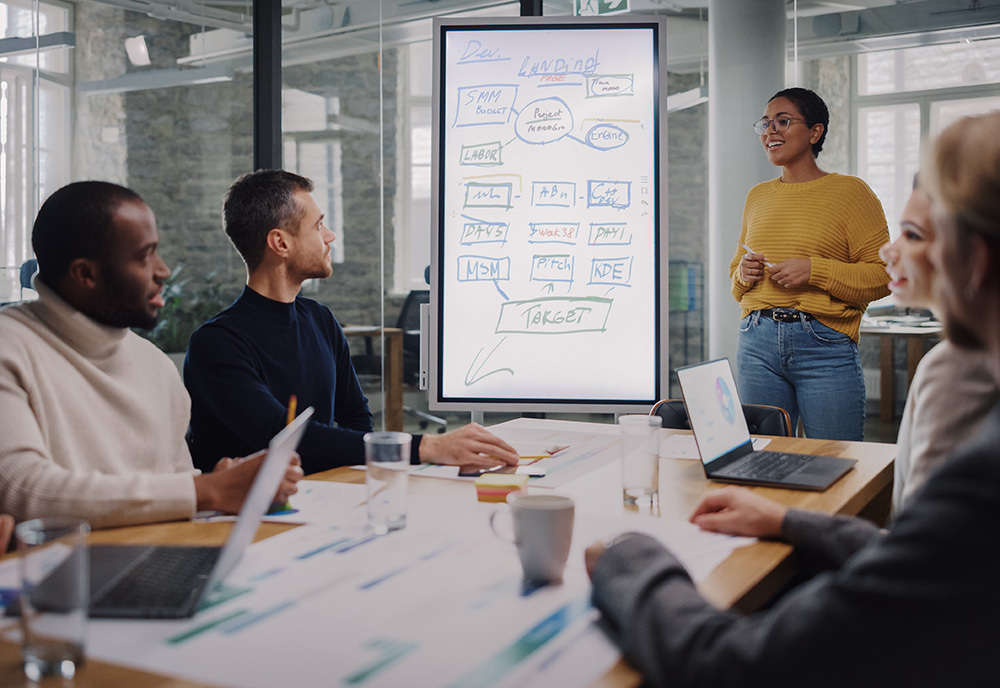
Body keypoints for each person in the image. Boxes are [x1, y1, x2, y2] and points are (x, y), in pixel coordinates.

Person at [585, 112, 1000, 686]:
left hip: (824, 341)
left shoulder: (982, 466)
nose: (891, 254)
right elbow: (923, 553)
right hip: (760, 335)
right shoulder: (760, 196)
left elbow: (733, 664)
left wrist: (627, 556)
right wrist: (789, 521)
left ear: (975, 261)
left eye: (916, 234)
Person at [0, 181, 302, 529]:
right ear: (86, 274)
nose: (163, 271)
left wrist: (214, 491)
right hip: (62, 576)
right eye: (144, 256)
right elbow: (20, 490)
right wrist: (206, 490)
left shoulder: (156, 365)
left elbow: (179, 498)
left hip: (157, 563)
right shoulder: (11, 346)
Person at [184, 170, 519, 475]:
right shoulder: (217, 344)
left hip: (328, 497)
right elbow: (286, 439)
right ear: (280, 243)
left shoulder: (321, 320)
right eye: (317, 226)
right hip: (250, 522)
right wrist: (427, 446)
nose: (329, 236)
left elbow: (358, 422)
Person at [731, 87, 890, 441]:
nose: (770, 131)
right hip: (756, 341)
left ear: (815, 132)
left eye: (783, 122)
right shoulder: (757, 196)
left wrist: (814, 271)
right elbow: (735, 279)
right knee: (764, 459)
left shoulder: (852, 193)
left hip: (824, 345)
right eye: (765, 124)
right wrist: (744, 273)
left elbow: (884, 276)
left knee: (835, 462)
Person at [879, 185, 998, 512]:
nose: (887, 251)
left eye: (912, 235)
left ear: (975, 254)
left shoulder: (958, 366)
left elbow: (923, 551)